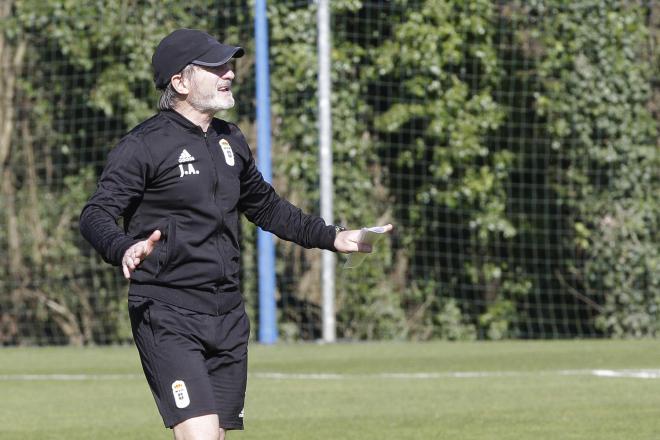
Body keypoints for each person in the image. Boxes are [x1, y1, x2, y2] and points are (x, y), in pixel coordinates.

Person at [79, 28, 392, 440]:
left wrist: (333, 237)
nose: (228, 73)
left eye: (229, 64)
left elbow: (266, 206)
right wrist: (123, 246)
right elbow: (95, 214)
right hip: (168, 311)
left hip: (227, 314)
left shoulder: (231, 140)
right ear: (180, 81)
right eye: (215, 67)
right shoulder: (142, 146)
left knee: (217, 435)